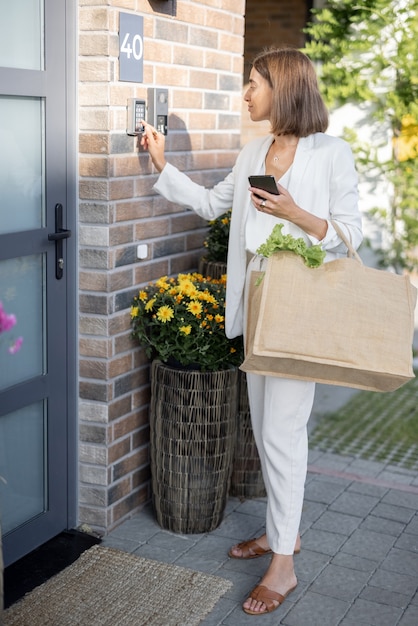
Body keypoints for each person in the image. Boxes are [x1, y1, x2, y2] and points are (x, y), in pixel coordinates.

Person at [140, 47, 362, 616]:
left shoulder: (332, 154)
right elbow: (216, 206)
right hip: (258, 305)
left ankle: (283, 565)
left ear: (283, 89)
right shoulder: (253, 151)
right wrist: (164, 168)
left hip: (301, 308)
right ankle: (277, 531)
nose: (245, 94)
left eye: (254, 84)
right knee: (266, 431)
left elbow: (348, 234)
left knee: (284, 434)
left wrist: (294, 213)